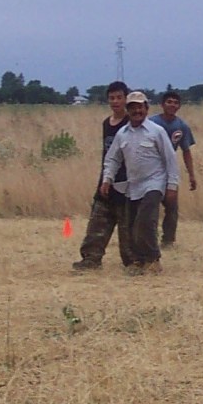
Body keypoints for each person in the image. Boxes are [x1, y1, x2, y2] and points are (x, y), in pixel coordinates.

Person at [100, 91, 180, 274]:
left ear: (146, 108)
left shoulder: (156, 131)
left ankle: (153, 260)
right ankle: (139, 261)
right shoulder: (122, 134)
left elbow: (170, 160)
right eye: (133, 107)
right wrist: (107, 179)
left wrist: (172, 187)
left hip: (155, 183)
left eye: (140, 107)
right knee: (132, 226)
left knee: (145, 221)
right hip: (133, 186)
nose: (137, 111)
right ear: (128, 111)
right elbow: (112, 159)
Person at [73, 80, 132, 271]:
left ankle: (133, 262)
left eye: (119, 97)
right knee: (97, 226)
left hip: (127, 184)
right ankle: (91, 259)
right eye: (112, 98)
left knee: (128, 231)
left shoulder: (132, 124)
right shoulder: (107, 123)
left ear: (126, 99)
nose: (115, 101)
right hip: (106, 182)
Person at [148, 90, 198, 246]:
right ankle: (149, 239)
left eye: (176, 103)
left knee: (172, 206)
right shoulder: (151, 123)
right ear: (162, 104)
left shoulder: (181, 126)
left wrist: (191, 175)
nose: (172, 105)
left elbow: (186, 151)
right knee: (150, 206)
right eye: (169, 102)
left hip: (170, 170)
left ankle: (168, 239)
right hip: (150, 168)